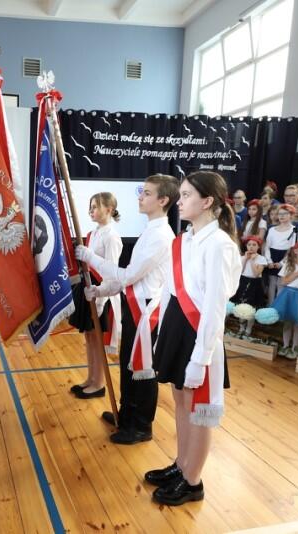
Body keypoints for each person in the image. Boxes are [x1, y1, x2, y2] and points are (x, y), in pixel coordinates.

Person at [145, 171, 241, 506]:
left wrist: (201, 359)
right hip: (176, 327)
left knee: (198, 410)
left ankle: (193, 481)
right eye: (181, 195)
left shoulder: (220, 245)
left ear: (208, 202)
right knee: (180, 404)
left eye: (186, 195)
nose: (180, 201)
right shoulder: (184, 239)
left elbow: (215, 306)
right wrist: (160, 338)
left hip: (200, 333)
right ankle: (181, 464)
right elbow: (171, 291)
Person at [75, 174, 178, 445]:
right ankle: (127, 414)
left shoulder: (161, 235)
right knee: (128, 364)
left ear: (163, 200)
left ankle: (142, 425)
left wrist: (91, 257)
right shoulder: (151, 230)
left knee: (143, 369)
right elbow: (128, 278)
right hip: (134, 303)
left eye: (146, 193)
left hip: (146, 310)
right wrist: (101, 290)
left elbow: (129, 275)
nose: (140, 197)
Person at [68, 192, 122, 398]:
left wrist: (100, 300)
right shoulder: (95, 232)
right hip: (89, 289)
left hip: (102, 292)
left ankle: (99, 384)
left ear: (109, 209)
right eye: (90, 207)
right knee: (90, 338)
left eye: (96, 207)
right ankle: (91, 379)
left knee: (97, 339)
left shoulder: (112, 236)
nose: (91, 211)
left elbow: (111, 271)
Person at [262, 203, 298, 304]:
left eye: (285, 213)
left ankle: (278, 306)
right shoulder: (272, 229)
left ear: (291, 215)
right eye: (280, 214)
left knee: (281, 283)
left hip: (285, 257)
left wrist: (282, 263)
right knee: (272, 283)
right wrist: (269, 261)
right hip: (272, 256)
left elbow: (293, 249)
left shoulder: (295, 230)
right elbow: (267, 246)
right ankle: (270, 305)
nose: (282, 216)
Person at [232, 235, 267, 336]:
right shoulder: (242, 257)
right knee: (240, 305)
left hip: (254, 283)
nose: (251, 247)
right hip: (243, 281)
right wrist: (246, 259)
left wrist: (252, 260)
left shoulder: (261, 259)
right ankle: (241, 327)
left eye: (254, 245)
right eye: (249, 244)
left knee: (252, 307)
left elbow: (256, 273)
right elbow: (239, 271)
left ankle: (249, 328)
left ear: (258, 247)